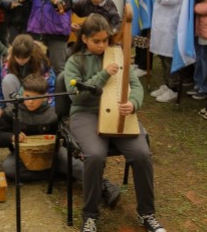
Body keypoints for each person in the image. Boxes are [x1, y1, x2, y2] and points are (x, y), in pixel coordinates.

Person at [64, 14, 166, 232]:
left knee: (142, 154)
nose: (102, 45)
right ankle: (90, 216)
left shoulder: (117, 56)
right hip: (85, 114)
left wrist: (133, 103)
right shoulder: (74, 61)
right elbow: (76, 96)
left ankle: (147, 213)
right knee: (95, 155)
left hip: (118, 114)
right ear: (85, 39)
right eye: (96, 41)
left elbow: (136, 86)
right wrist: (102, 74)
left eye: (105, 40)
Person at [0, 73, 85, 182]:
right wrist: (12, 137)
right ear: (22, 93)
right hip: (23, 155)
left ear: (45, 97)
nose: (30, 102)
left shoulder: (53, 114)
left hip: (51, 154)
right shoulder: (11, 112)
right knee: (9, 168)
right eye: (27, 96)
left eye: (35, 98)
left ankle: (101, 185)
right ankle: (57, 174)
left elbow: (64, 138)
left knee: (70, 161)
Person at [147, 0, 185, 103]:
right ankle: (166, 83)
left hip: (170, 21)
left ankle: (174, 88)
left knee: (169, 56)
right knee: (162, 55)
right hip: (161, 19)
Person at [0, 34, 54, 117]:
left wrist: (50, 108)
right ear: (13, 53)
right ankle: (13, 113)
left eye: (24, 58)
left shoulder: (42, 62)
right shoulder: (5, 63)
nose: (21, 61)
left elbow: (50, 87)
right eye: (17, 57)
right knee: (7, 80)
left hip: (35, 98)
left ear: (31, 53)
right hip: (15, 97)